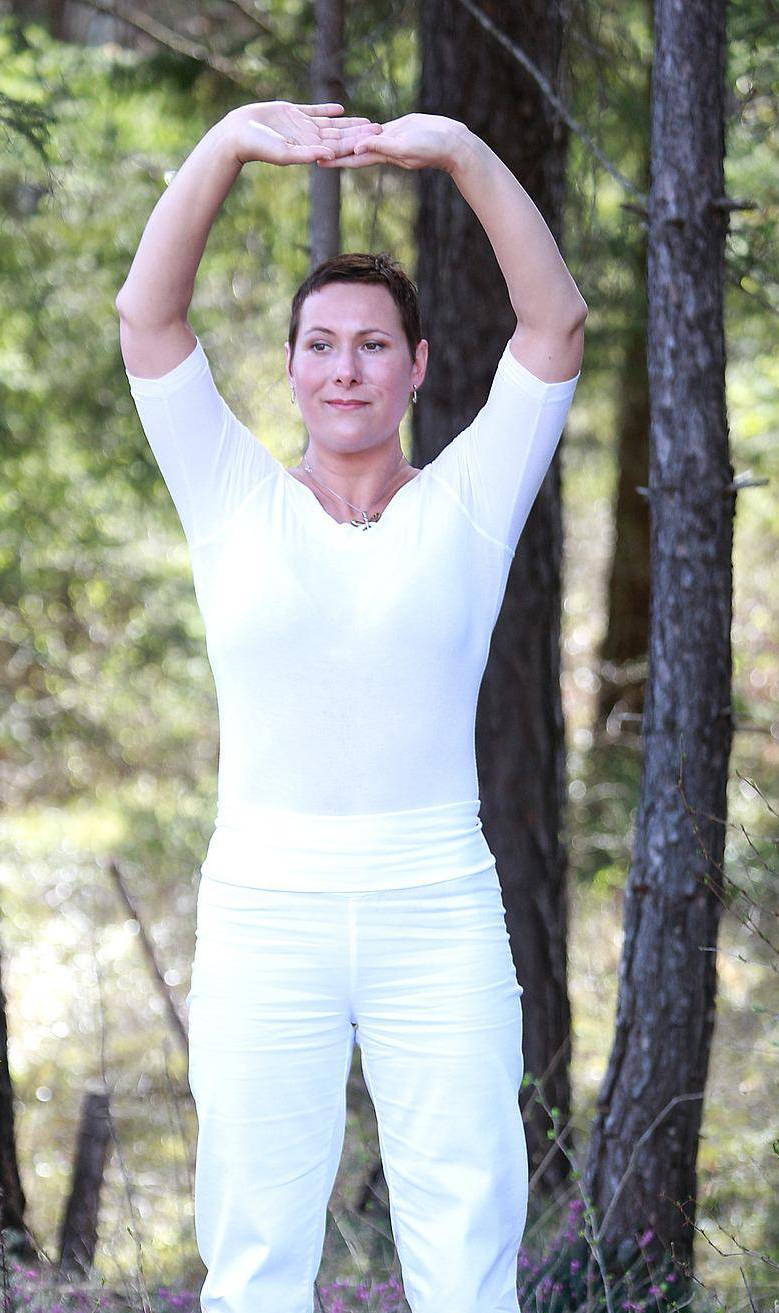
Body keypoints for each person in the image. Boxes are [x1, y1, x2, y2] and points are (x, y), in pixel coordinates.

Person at [116, 99, 586, 1313]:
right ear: (287, 366)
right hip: (266, 906)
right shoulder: (232, 499)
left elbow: (554, 321)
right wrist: (224, 142)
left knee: (464, 1243)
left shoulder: (470, 503)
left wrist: (464, 153)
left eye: (373, 344)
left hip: (436, 903)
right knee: (258, 1253)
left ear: (418, 367)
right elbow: (146, 318)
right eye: (319, 343)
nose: (344, 367)